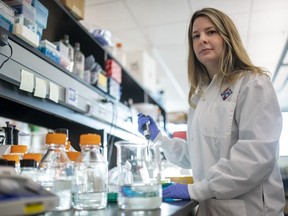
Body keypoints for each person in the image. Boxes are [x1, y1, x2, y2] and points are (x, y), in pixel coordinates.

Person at [137, 7, 285, 216]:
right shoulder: (201, 97)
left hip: (250, 210)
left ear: (227, 37)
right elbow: (198, 155)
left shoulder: (253, 84)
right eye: (196, 36)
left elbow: (256, 156)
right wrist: (160, 139)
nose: (202, 39)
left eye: (211, 32)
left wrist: (195, 190)